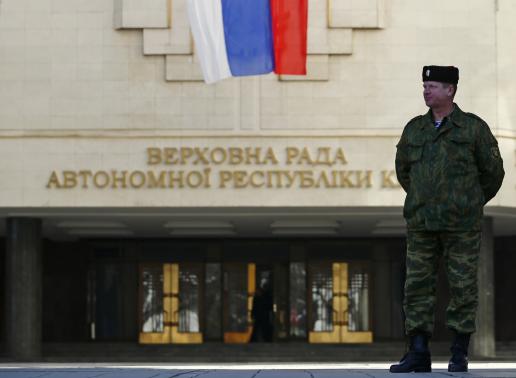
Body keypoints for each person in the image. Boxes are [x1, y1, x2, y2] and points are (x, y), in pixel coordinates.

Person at [390, 66, 505, 373]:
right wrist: (423, 198)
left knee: (463, 286)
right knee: (416, 286)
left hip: (461, 225)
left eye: (432, 86)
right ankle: (417, 351)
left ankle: (459, 352)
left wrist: (469, 201)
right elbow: (404, 171)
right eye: (424, 85)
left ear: (450, 90)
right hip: (422, 223)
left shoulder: (472, 128)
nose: (426, 91)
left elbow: (493, 173)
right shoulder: (414, 129)